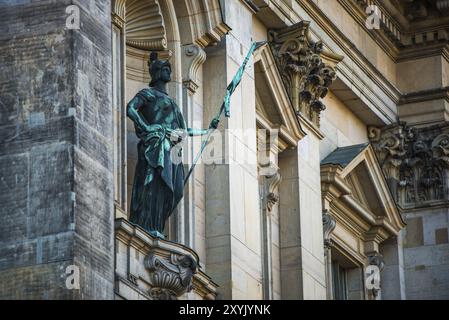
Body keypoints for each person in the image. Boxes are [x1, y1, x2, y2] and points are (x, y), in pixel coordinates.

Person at [126, 52, 219, 238]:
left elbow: (183, 131)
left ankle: (157, 225)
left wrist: (206, 132)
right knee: (154, 183)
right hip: (156, 146)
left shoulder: (173, 104)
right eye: (165, 69)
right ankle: (147, 225)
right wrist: (147, 127)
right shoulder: (148, 94)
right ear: (157, 73)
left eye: (169, 69)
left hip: (171, 149)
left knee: (175, 189)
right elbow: (130, 108)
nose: (169, 72)